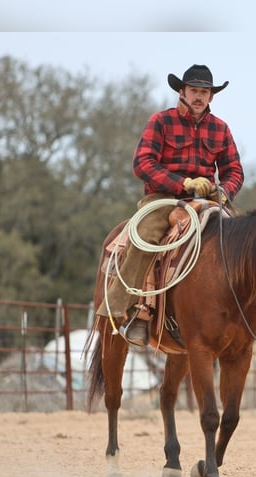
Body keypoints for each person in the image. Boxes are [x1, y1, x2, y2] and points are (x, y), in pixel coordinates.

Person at [98, 64, 244, 345]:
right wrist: (183, 184)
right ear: (182, 91)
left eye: (204, 92)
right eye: (194, 91)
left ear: (211, 97)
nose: (199, 97)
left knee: (252, 237)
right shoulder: (161, 122)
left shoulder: (220, 129)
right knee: (145, 238)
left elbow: (234, 171)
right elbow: (142, 163)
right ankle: (123, 310)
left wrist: (223, 191)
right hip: (163, 199)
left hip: (208, 200)